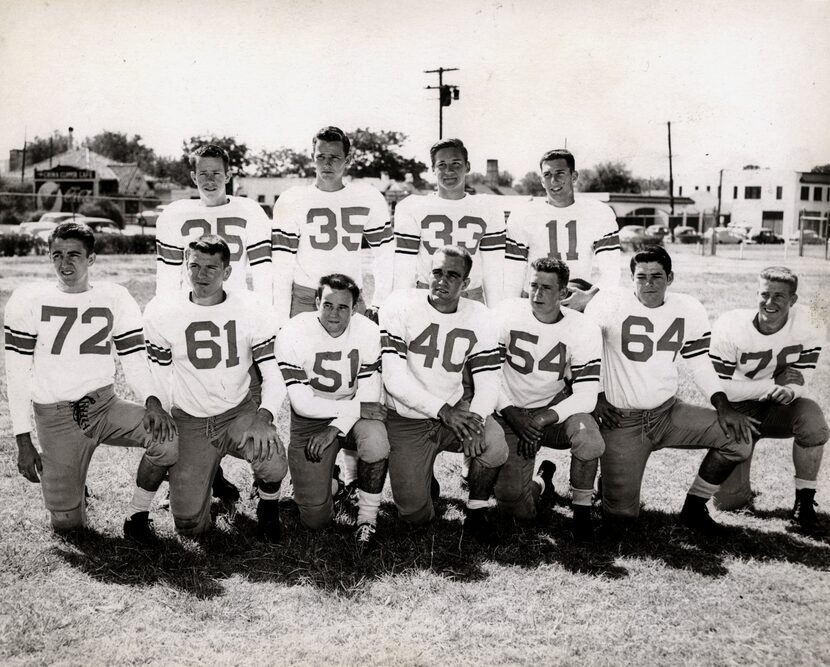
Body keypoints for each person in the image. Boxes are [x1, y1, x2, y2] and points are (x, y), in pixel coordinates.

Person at [4, 222, 178, 541]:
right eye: (57, 254)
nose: (64, 263)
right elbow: (15, 374)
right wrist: (22, 440)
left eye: (74, 254)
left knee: (167, 440)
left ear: (91, 258)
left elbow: (134, 360)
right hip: (56, 418)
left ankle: (137, 515)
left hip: (104, 405)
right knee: (68, 527)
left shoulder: (114, 297)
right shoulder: (29, 299)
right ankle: (73, 484)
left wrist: (152, 401)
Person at [584, 245, 757, 535]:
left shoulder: (687, 308)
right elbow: (584, 353)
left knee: (738, 440)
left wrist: (723, 406)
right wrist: (597, 395)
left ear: (671, 277)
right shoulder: (609, 303)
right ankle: (609, 481)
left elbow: (699, 363)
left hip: (667, 412)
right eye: (642, 277)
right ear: (631, 278)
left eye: (657, 276)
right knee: (621, 520)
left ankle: (693, 508)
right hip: (622, 420)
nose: (649, 284)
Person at [144, 235, 287, 541]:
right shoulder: (163, 309)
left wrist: (264, 417)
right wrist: (156, 404)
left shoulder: (251, 307)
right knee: (188, 526)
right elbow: (157, 370)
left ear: (228, 271)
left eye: (211, 267)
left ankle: (269, 507)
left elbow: (274, 373)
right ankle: (214, 480)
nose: (201, 275)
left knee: (271, 459)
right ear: (185, 266)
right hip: (191, 418)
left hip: (237, 413)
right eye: (194, 266)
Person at [155, 143, 274, 505]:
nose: (209, 179)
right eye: (202, 173)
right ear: (193, 176)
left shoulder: (250, 211)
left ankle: (261, 474)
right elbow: (165, 275)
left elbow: (264, 270)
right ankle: (213, 477)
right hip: (192, 317)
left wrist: (266, 315)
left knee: (248, 395)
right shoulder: (174, 214)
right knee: (192, 397)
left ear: (229, 174)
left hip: (238, 317)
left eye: (216, 172)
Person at [379, 245, 508, 544]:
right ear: (427, 274)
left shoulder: (480, 316)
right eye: (437, 272)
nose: (442, 281)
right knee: (414, 516)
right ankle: (425, 477)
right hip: (407, 417)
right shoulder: (400, 305)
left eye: (453, 275)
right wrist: (443, 411)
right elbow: (394, 378)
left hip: (454, 410)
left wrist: (476, 420)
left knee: (494, 443)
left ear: (466, 283)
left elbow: (489, 380)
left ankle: (476, 510)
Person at [493, 257, 604, 542]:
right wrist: (514, 415)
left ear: (564, 294)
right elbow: (484, 377)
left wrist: (541, 418)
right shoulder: (505, 313)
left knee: (589, 437)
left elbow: (587, 395)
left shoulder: (582, 326)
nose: (537, 294)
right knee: (515, 508)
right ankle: (542, 481)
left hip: (552, 411)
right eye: (533, 286)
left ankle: (581, 512)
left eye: (546, 288)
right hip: (508, 410)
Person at [276, 273, 389, 553]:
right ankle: (334, 484)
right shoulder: (293, 331)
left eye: (342, 307)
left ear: (355, 308)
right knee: (314, 520)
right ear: (316, 302)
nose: (334, 314)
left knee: (376, 438)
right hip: (310, 419)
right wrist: (348, 413)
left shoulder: (368, 331)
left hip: (354, 414)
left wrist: (335, 427)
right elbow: (302, 403)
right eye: (327, 305)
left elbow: (369, 396)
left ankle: (366, 519)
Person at [709, 266, 827, 529]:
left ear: (793, 300)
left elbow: (803, 373)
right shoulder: (731, 324)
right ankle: (739, 488)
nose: (769, 302)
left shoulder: (811, 319)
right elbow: (719, 387)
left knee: (813, 420)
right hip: (738, 411)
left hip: (778, 407)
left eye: (779, 296)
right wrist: (772, 385)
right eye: (764, 294)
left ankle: (804, 503)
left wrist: (790, 391)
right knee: (729, 503)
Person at [270, 126, 394, 321]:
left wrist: (380, 302)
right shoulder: (292, 199)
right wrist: (280, 318)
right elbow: (282, 266)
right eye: (321, 157)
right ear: (312, 157)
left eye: (334, 157)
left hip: (350, 297)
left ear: (348, 159)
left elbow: (385, 256)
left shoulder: (368, 197)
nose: (327, 164)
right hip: (306, 298)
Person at [392, 138, 505, 307]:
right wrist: (400, 307)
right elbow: (404, 268)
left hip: (470, 296)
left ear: (467, 166)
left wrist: (495, 311)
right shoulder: (413, 207)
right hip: (427, 295)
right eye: (442, 164)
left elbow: (493, 269)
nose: (449, 170)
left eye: (456, 163)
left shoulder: (487, 207)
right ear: (433, 169)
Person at [504, 149, 620, 311]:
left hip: (578, 296)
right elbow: (513, 273)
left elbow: (612, 271)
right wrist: (515, 309)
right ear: (541, 180)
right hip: (536, 299)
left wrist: (589, 297)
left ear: (574, 176)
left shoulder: (598, 213)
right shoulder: (523, 215)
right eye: (547, 175)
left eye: (560, 173)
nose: (553, 180)